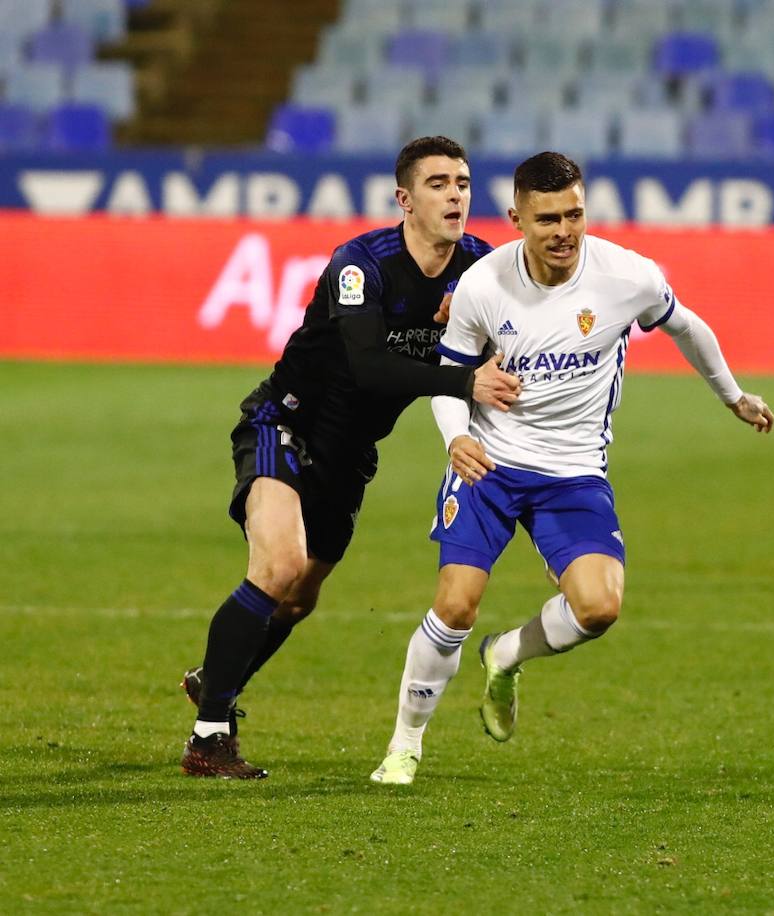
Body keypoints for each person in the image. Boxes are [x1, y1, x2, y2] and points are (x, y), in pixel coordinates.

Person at [368, 151, 774, 785]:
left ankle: (506, 655)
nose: (564, 231)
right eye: (548, 218)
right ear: (517, 218)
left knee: (599, 607)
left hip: (574, 472)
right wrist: (455, 439)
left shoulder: (626, 277)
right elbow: (450, 378)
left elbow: (687, 327)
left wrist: (733, 396)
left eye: (575, 215)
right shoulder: (483, 284)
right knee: (454, 605)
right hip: (491, 466)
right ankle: (405, 743)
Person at [180, 136, 522, 779]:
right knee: (277, 567)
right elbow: (367, 367)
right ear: (405, 198)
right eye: (439, 183)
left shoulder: (481, 268)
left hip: (351, 454)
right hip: (286, 423)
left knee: (299, 598)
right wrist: (462, 378)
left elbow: (523, 324)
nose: (455, 194)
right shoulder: (361, 263)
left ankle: (217, 678)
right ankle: (209, 736)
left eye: (464, 183)